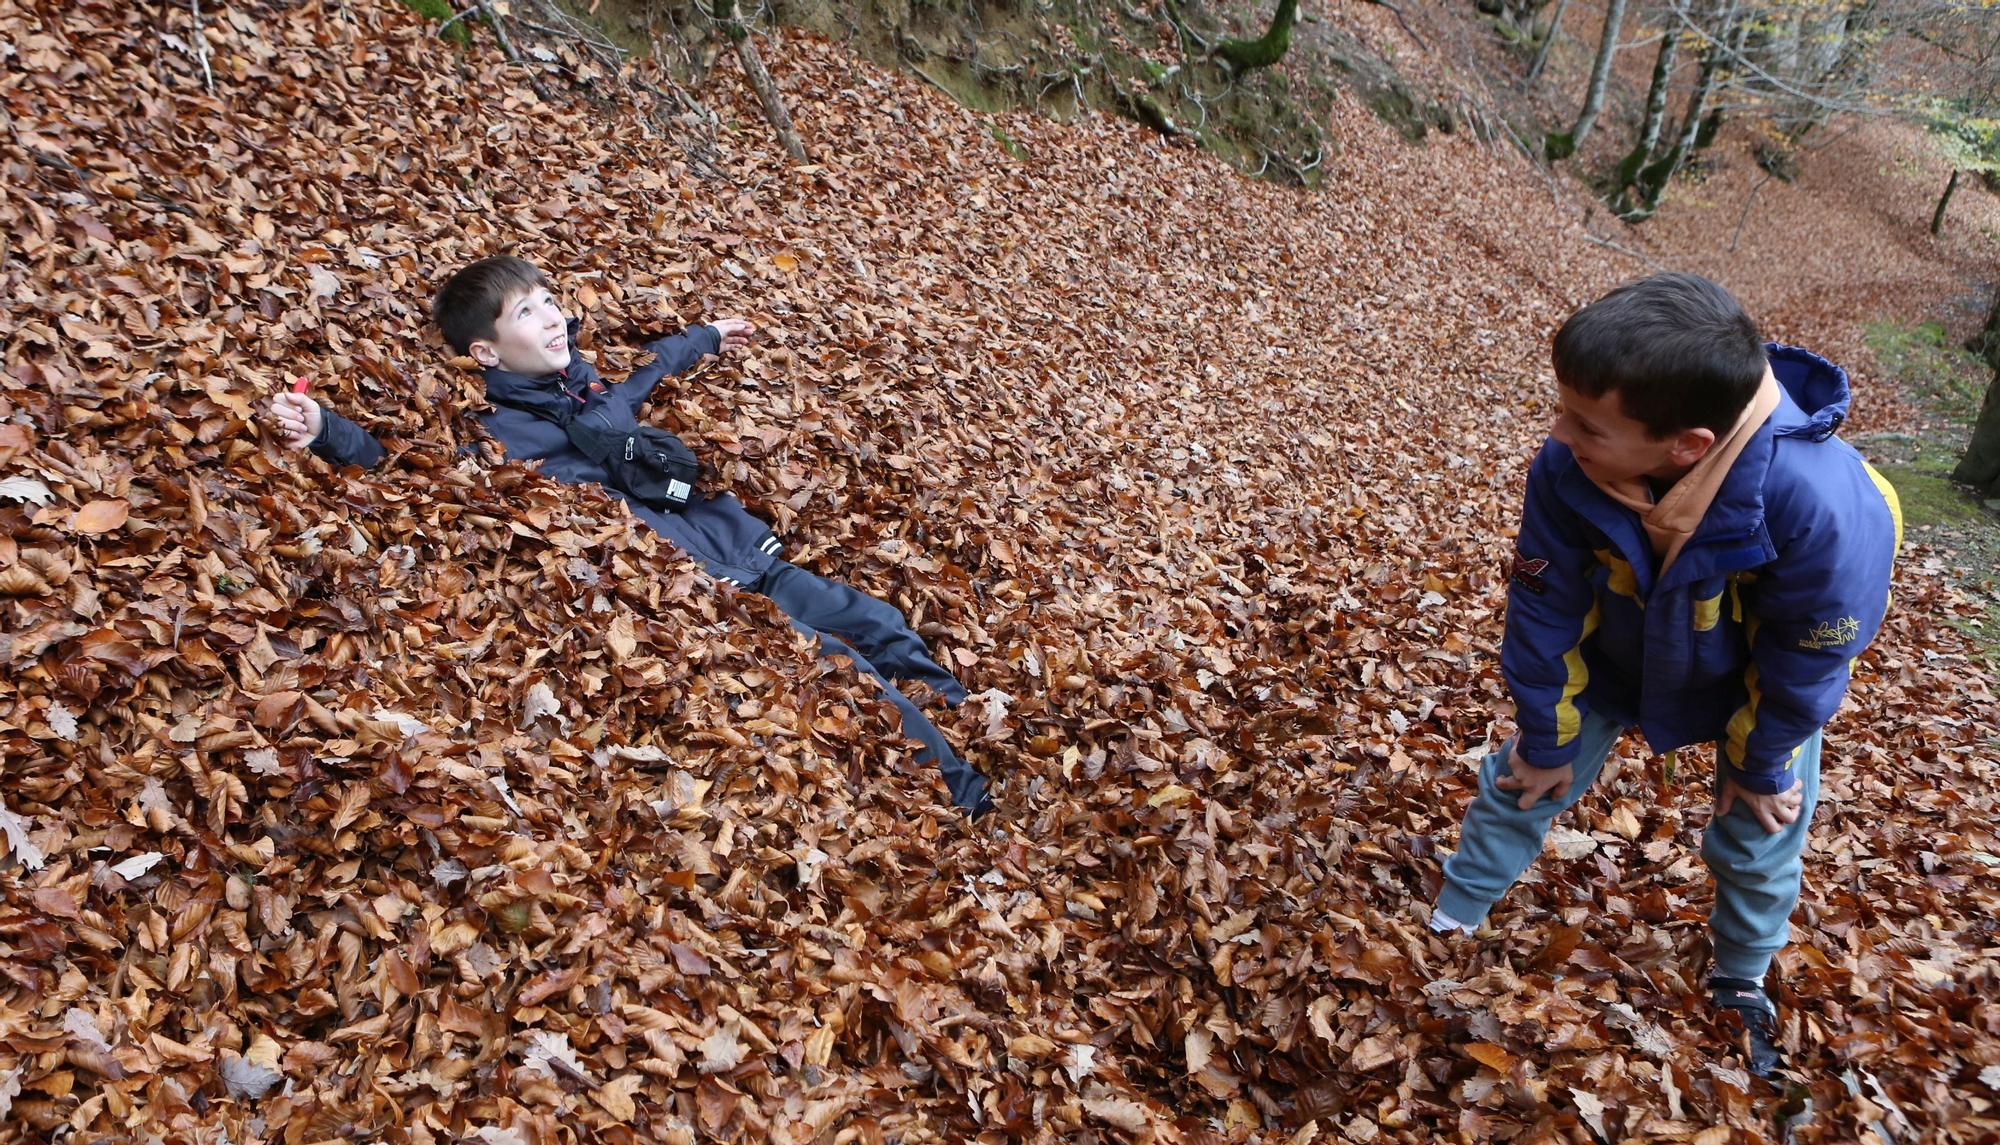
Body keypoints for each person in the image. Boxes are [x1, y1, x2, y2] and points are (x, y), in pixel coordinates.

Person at [269, 255, 993, 817]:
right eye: (527, 311)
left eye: (550, 299)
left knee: (879, 622)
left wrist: (705, 337)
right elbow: (417, 467)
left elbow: (647, 377)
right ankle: (970, 799)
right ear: (487, 352)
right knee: (852, 676)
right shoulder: (504, 432)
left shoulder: (588, 388)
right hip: (713, 598)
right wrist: (327, 431)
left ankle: (976, 725)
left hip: (743, 553)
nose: (553, 317)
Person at [1427, 273, 1900, 1076]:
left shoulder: (1821, 506)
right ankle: (1451, 917)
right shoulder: (1567, 466)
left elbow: (1811, 652)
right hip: (1617, 650)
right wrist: (1547, 736)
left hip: (1751, 681)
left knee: (1762, 820)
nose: (1556, 431)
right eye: (1561, 407)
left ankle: (1741, 975)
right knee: (1523, 775)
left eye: (1585, 421)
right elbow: (1543, 607)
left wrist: (1761, 757)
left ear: (1687, 445)